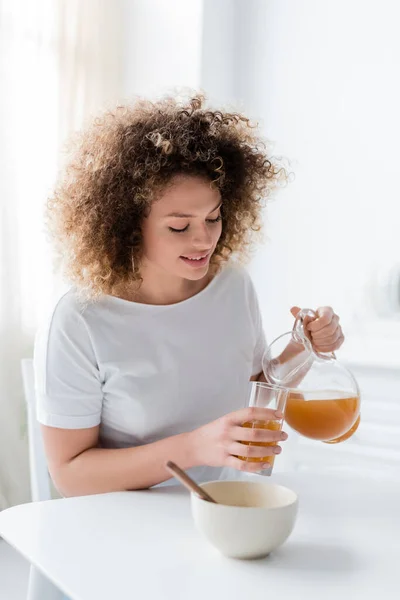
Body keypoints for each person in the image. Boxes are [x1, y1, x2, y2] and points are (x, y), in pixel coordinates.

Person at [34, 94, 344, 497]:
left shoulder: (232, 285)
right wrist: (195, 447)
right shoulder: (79, 319)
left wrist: (307, 345)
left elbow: (255, 386)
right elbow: (70, 475)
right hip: (121, 519)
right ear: (128, 226)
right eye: (180, 227)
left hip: (225, 505)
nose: (205, 240)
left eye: (213, 218)